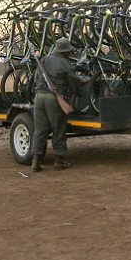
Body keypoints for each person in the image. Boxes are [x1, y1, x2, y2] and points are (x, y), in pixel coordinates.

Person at [31, 37, 86, 172]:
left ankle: (36, 161)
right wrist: (85, 80)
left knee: (40, 130)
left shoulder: (43, 60)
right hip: (54, 100)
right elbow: (74, 82)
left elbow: (36, 79)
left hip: (39, 98)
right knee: (59, 129)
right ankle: (59, 160)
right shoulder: (65, 64)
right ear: (65, 52)